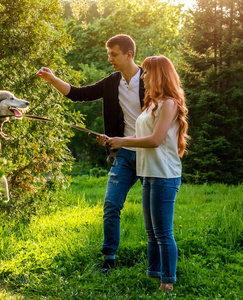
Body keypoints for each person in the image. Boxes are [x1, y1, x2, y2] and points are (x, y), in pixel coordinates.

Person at [36, 34, 145, 273]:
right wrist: (52, 79)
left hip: (151, 155)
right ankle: (109, 258)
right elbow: (78, 94)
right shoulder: (112, 81)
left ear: (129, 54)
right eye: (108, 54)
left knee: (153, 213)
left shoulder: (150, 80)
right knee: (111, 205)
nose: (109, 59)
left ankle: (158, 263)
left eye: (114, 54)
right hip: (124, 154)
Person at [105, 55, 189, 292]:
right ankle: (154, 274)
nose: (143, 76)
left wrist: (123, 140)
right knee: (151, 231)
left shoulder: (169, 104)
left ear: (159, 74)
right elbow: (139, 135)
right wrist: (118, 140)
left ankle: (168, 281)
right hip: (149, 172)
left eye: (147, 72)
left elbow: (155, 140)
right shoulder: (152, 103)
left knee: (163, 232)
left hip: (165, 173)